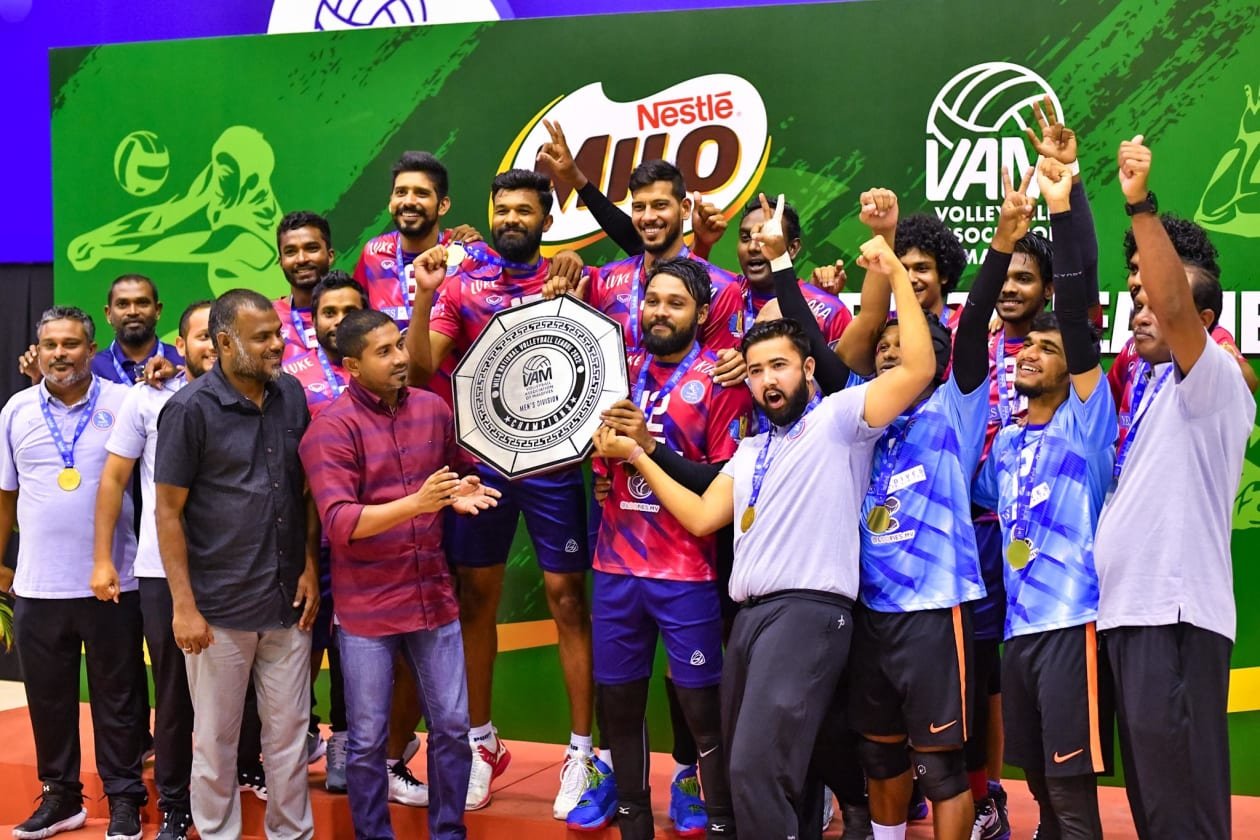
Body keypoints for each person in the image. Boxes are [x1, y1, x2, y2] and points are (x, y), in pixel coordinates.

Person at [595, 196, 936, 838]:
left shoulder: (839, 420)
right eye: (754, 371)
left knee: (752, 768)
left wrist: (891, 266)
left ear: (808, 368)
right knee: (774, 773)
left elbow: (918, 367)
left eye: (779, 366)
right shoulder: (752, 449)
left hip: (808, 612)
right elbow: (702, 516)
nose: (767, 380)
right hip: (750, 619)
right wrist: (638, 453)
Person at [839, 171, 1039, 840]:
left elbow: (974, 317)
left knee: (943, 767)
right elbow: (846, 350)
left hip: (935, 607)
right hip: (871, 608)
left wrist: (1004, 238)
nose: (891, 359)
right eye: (886, 351)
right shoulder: (865, 416)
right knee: (880, 756)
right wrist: (879, 250)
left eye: (906, 352)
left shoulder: (958, 403)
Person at [406, 168, 599, 817]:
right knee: (475, 600)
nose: (511, 218)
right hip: (479, 467)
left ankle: (581, 752)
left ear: (546, 219)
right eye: (503, 209)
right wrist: (423, 297)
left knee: (567, 600)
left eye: (524, 209)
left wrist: (575, 289)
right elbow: (420, 369)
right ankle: (481, 743)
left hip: (554, 467)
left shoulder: (572, 277)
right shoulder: (462, 284)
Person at [1095, 137, 1254, 839]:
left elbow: (1172, 301)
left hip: (1176, 619)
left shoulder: (1211, 380)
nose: (1143, 307)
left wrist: (1139, 206)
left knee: (1185, 813)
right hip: (1133, 618)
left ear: (1202, 320)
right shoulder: (1150, 386)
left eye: (1157, 301)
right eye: (1137, 297)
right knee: (1159, 810)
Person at [301, 307, 500, 840]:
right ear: (352, 365)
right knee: (367, 740)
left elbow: (458, 471)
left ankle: (449, 832)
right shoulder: (330, 430)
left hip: (433, 597)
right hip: (367, 609)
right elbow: (340, 523)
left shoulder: (433, 409)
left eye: (400, 345)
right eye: (384, 351)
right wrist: (418, 503)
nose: (400, 358)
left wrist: (461, 490)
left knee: (453, 728)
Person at [973, 157, 1117, 840]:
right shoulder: (1004, 445)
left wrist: (1061, 207)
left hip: (1072, 625)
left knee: (1069, 796)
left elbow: (1080, 329)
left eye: (1048, 348)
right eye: (1027, 344)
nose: (1029, 351)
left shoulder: (1087, 426)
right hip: (1018, 633)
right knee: (1038, 788)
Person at [585, 257, 752, 837]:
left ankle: (722, 820)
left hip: (684, 571)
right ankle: (634, 822)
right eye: (652, 300)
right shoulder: (615, 369)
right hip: (614, 565)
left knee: (703, 713)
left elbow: (722, 483)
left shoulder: (722, 380)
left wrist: (647, 446)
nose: (659, 312)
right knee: (619, 706)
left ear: (702, 313)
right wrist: (598, 461)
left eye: (675, 303)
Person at [155, 289, 320, 840]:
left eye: (278, 333)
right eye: (262, 337)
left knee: (290, 738)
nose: (277, 344)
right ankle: (217, 834)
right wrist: (183, 607)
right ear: (225, 343)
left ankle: (291, 834)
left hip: (287, 601)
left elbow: (303, 491)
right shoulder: (188, 410)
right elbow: (168, 513)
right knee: (216, 742)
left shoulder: (291, 393)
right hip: (217, 609)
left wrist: (309, 566)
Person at [0, 307, 148, 840]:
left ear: (91, 348)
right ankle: (61, 798)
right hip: (37, 585)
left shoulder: (125, 402)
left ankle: (125, 798)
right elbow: (5, 496)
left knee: (119, 697)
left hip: (113, 581)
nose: (59, 353)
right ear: (37, 351)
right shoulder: (16, 410)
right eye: (50, 344)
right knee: (48, 698)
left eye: (70, 344)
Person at [91, 300, 217, 840]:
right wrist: (103, 557)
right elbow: (113, 479)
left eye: (221, 333)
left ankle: (236, 780)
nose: (213, 343)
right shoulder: (148, 397)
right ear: (179, 344)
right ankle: (174, 803)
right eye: (201, 335)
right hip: (164, 571)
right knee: (173, 694)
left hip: (239, 568)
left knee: (242, 692)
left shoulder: (262, 394)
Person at [273, 211, 336, 363]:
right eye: (290, 252)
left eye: (311, 248)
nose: (301, 259)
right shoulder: (268, 317)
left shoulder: (354, 311)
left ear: (330, 256)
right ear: (281, 262)